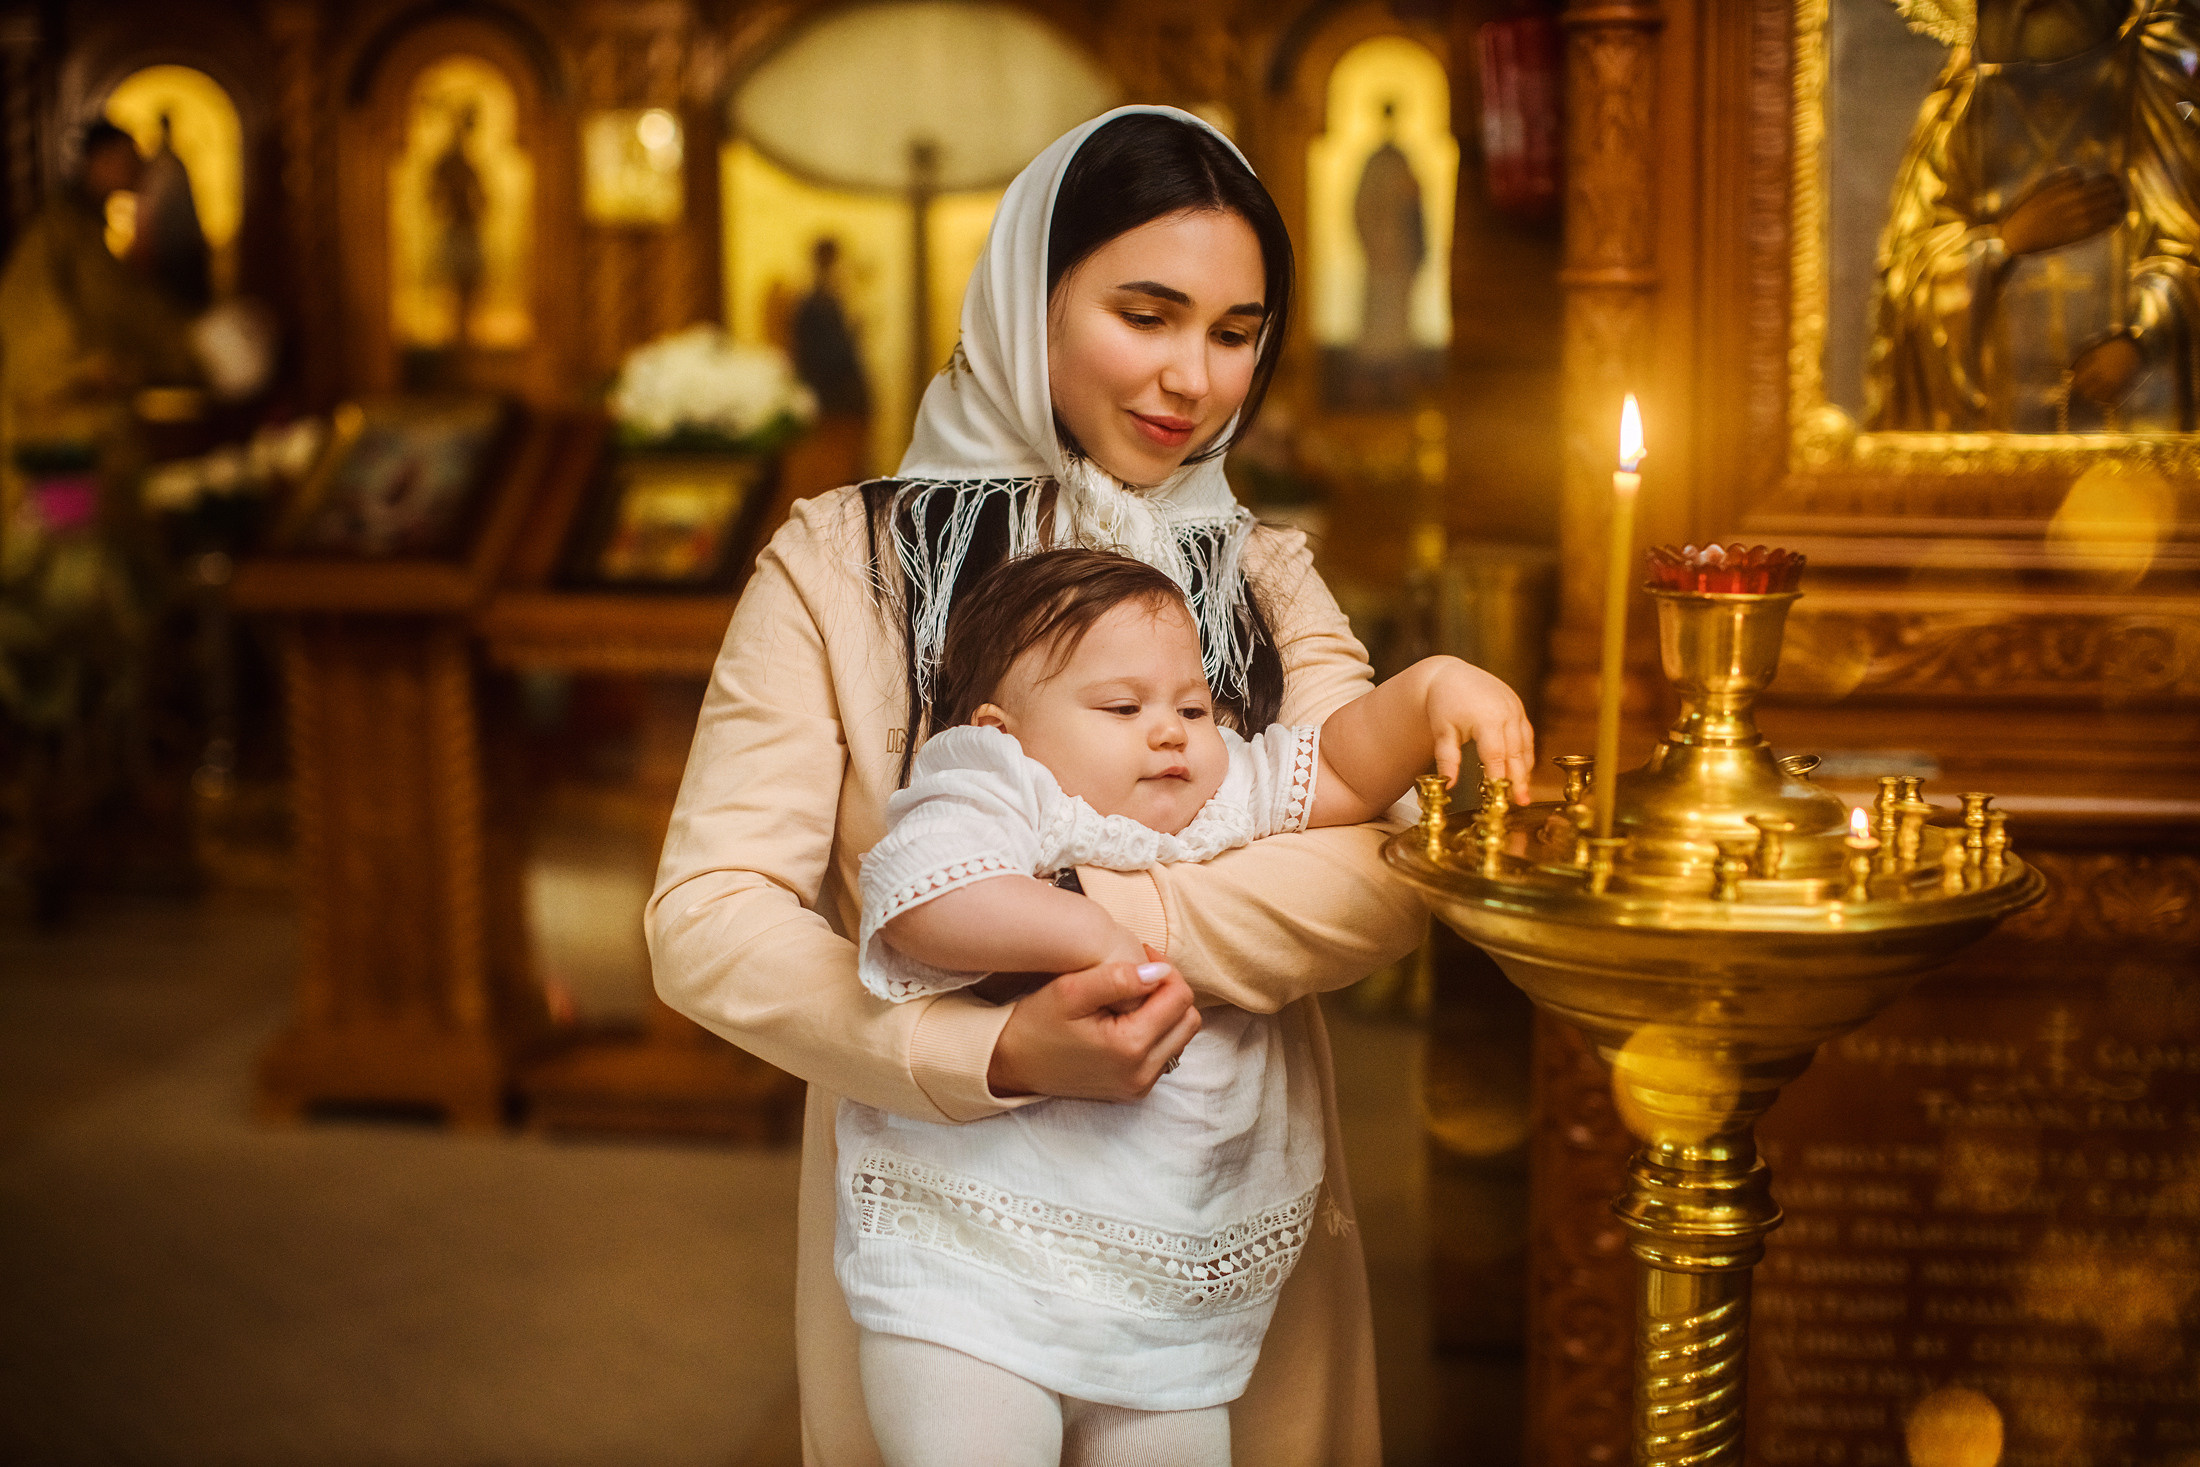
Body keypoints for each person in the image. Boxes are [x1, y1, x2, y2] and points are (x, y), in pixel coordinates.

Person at [648, 106, 1519, 1466]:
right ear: (1029, 293)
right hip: (946, 1232)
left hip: (1218, 1219)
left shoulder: (1261, 572)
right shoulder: (845, 564)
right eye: (1147, 312)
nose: (1193, 377)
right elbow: (707, 915)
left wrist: (1101, 919)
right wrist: (985, 1046)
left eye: (1236, 333)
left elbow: (1388, 863)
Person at [841, 547, 1527, 1464]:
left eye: (1193, 707)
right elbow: (927, 894)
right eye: (1123, 708)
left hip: (1165, 1295)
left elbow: (1349, 773)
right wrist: (1096, 934)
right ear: (1002, 729)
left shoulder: (1215, 795)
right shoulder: (1000, 785)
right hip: (975, 1275)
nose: (1169, 732)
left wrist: (1433, 688)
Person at [1864, 0, 2200, 432]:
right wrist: (2004, 243)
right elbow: (1911, 281)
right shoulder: (1964, 107)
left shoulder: (2150, 80)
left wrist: (2144, 340)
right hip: (1996, 439)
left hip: (2131, 438)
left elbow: (2188, 247)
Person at [0, 119, 195, 529]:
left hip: (94, 425)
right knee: (68, 549)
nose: (138, 167)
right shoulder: (56, 235)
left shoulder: (89, 235)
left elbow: (130, 312)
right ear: (97, 160)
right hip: (59, 428)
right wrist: (92, 368)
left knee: (102, 543)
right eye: (127, 158)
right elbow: (39, 334)